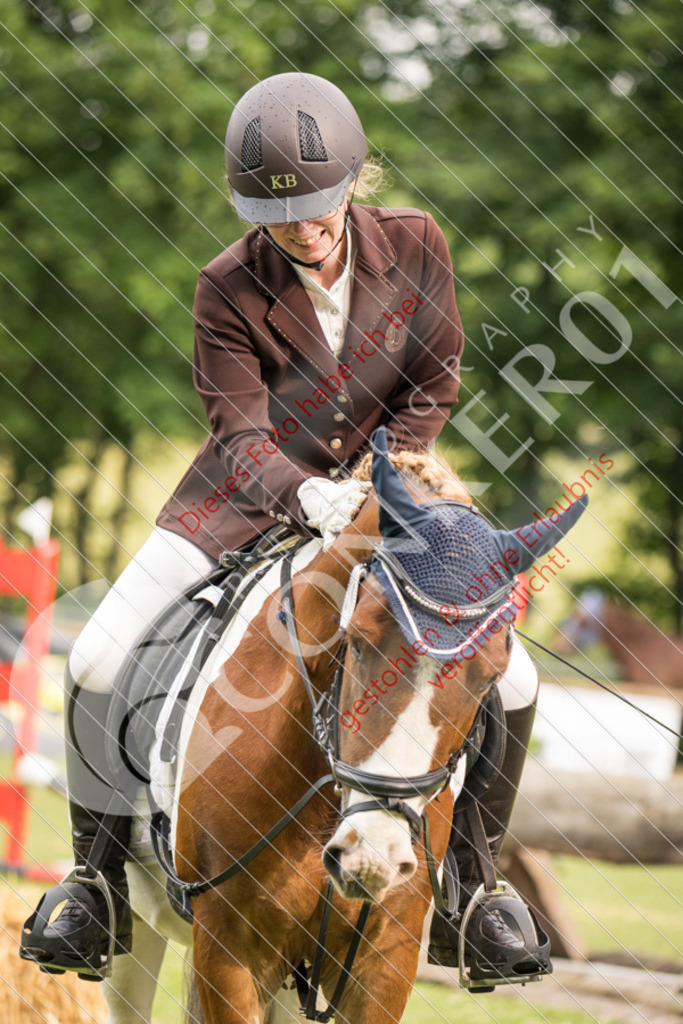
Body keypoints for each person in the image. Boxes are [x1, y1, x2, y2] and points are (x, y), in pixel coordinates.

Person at [22, 72, 547, 985]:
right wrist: (307, 496)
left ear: (355, 181)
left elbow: (433, 377)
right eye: (283, 216)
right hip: (238, 503)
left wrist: (387, 476)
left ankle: (471, 886)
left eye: (320, 206)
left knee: (516, 675)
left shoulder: (415, 242)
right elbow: (238, 427)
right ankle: (94, 884)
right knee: (96, 658)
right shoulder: (225, 285)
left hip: (393, 502)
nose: (306, 230)